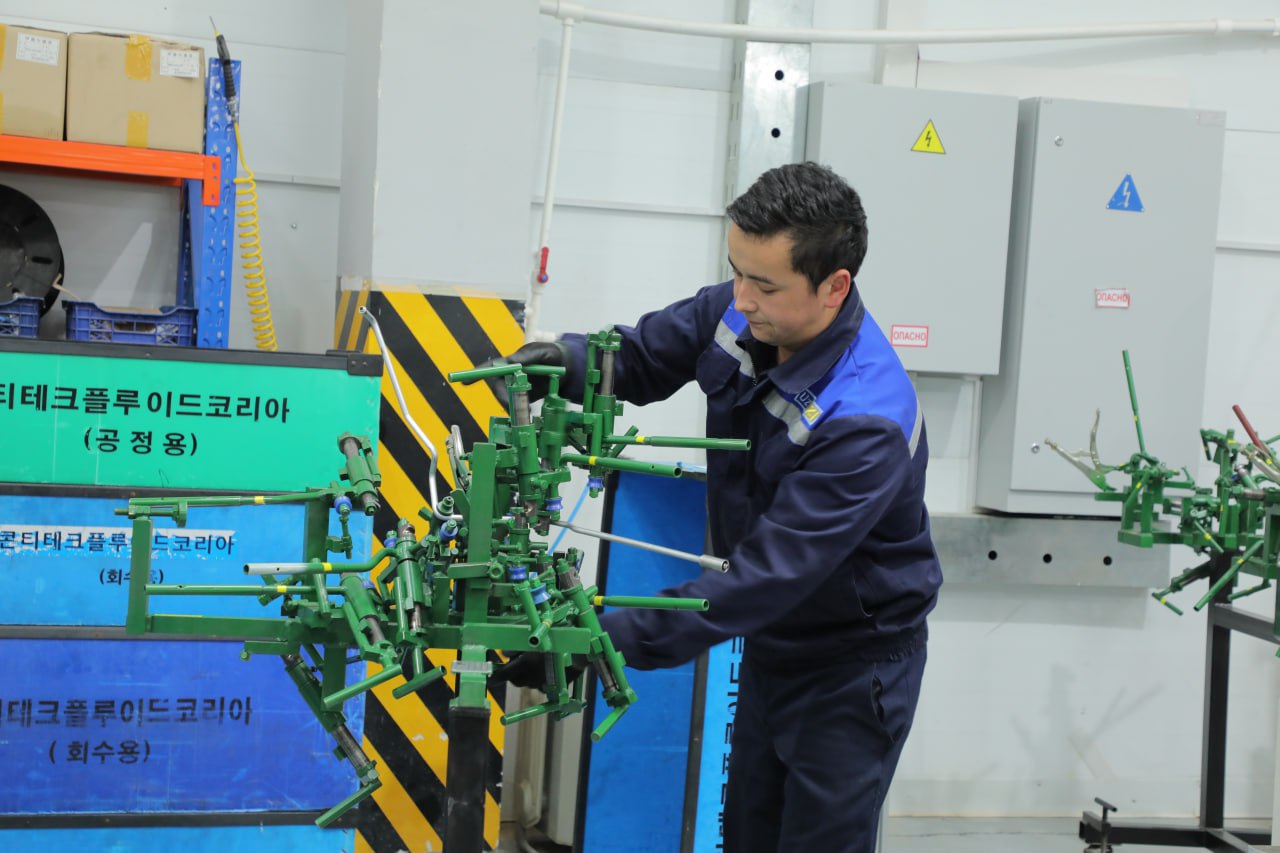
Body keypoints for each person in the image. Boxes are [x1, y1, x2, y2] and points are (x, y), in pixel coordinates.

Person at [495, 161, 941, 852]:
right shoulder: (742, 310)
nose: (742, 298)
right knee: (747, 837)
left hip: (852, 672)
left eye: (765, 285)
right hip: (773, 643)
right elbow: (641, 356)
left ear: (834, 286)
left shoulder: (865, 419)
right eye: (736, 272)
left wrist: (601, 638)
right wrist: (561, 361)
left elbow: (764, 578)